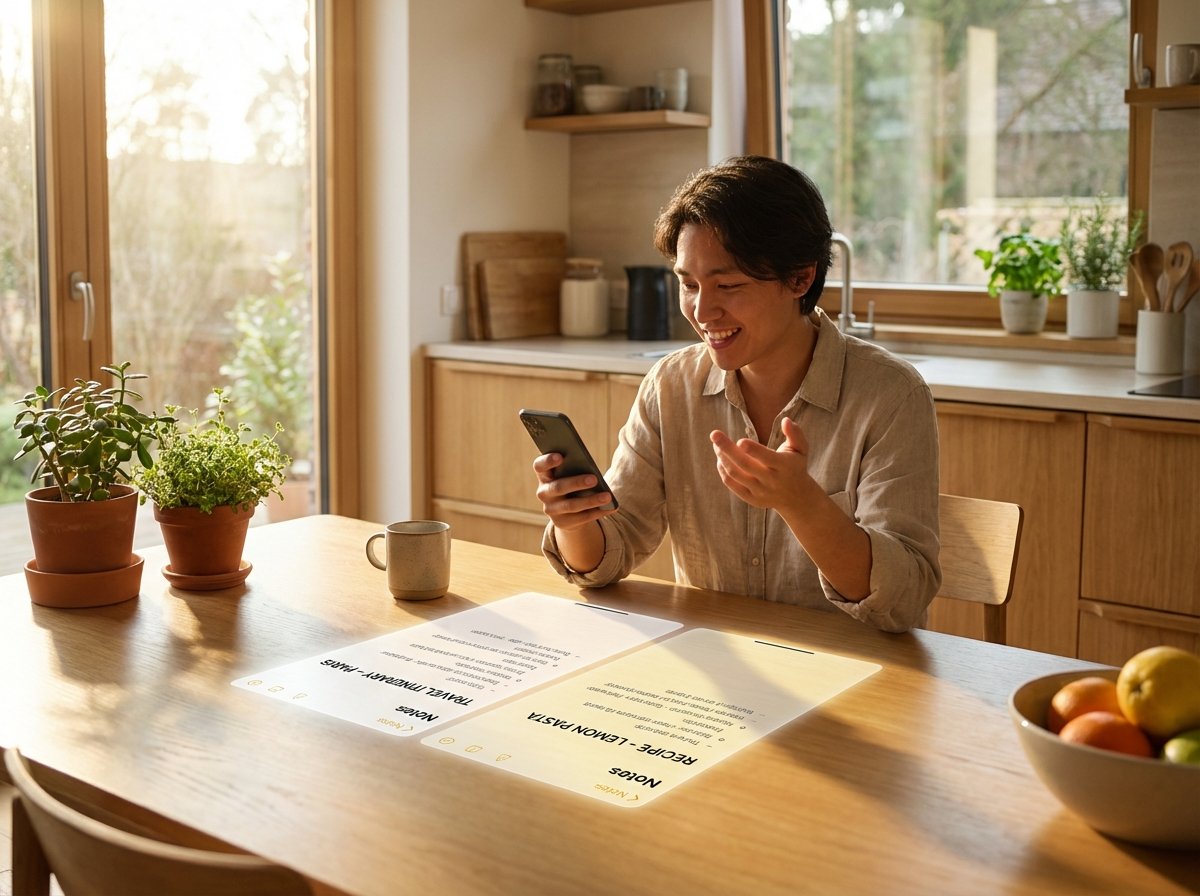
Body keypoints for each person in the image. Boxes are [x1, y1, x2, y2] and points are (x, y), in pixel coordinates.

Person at [531, 155, 940, 633]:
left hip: (857, 672)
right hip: (721, 670)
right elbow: (610, 552)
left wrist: (802, 503)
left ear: (800, 279)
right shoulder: (670, 386)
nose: (703, 311)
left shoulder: (891, 395)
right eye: (688, 284)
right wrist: (575, 521)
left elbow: (904, 599)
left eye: (728, 285)